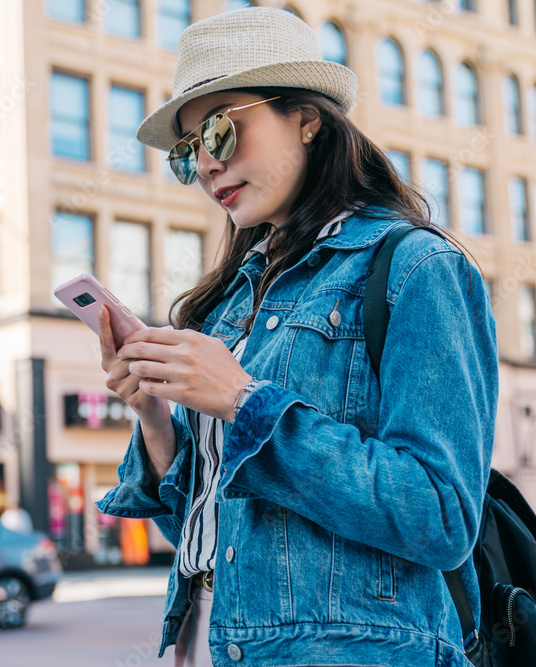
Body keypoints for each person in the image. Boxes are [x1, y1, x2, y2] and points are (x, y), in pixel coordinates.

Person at [94, 8, 497, 667]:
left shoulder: (417, 270)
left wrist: (245, 402)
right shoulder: (232, 303)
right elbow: (217, 538)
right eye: (187, 150)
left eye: (220, 130)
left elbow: (442, 515)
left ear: (307, 118)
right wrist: (154, 414)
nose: (204, 164)